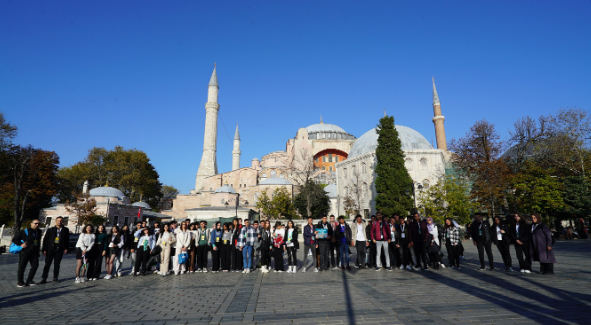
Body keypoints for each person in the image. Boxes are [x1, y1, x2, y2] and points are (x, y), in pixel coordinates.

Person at [13, 219, 43, 287]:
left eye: (38, 224)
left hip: (34, 252)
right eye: (35, 223)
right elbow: (15, 239)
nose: (37, 225)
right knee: (22, 267)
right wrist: (21, 244)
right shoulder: (24, 231)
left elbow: (38, 242)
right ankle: (20, 282)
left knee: (35, 266)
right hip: (25, 252)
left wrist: (38, 251)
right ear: (31, 223)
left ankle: (29, 280)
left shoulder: (39, 232)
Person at [40, 216, 69, 284]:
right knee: (47, 264)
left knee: (57, 264)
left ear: (63, 221)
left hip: (59, 249)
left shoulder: (65, 230)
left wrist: (66, 248)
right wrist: (44, 249)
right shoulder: (51, 230)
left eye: (61, 221)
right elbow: (46, 240)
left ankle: (55, 277)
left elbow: (67, 240)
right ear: (56, 221)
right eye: (58, 220)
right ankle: (44, 278)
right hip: (50, 249)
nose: (59, 222)